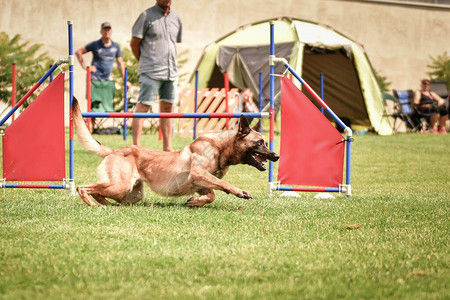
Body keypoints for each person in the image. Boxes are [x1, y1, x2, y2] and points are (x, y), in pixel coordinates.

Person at [130, 0, 182, 151]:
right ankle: (136, 147)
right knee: (144, 105)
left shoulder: (176, 18)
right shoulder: (145, 16)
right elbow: (134, 43)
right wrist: (144, 61)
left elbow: (172, 44)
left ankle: (168, 147)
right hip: (150, 71)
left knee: (168, 108)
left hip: (171, 71)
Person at [75, 22, 129, 131]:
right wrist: (86, 67)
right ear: (101, 31)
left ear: (111, 31)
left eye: (109, 29)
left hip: (106, 80)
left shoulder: (115, 46)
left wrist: (125, 79)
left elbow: (120, 63)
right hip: (94, 78)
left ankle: (94, 126)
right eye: (105, 29)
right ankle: (91, 127)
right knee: (93, 103)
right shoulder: (95, 44)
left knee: (105, 103)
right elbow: (78, 52)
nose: (107, 31)